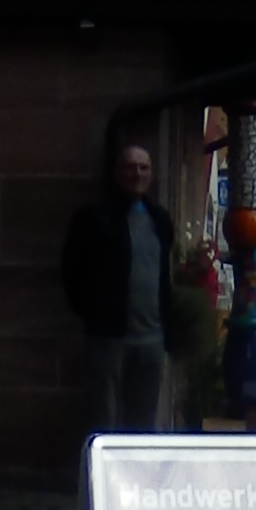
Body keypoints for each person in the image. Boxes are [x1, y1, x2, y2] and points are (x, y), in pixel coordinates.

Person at [59, 135, 179, 439]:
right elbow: (72, 271)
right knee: (102, 420)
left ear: (151, 173)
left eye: (143, 167)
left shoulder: (159, 219)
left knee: (143, 424)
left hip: (152, 339)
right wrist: (93, 313)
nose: (137, 174)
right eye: (130, 167)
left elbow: (164, 274)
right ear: (116, 172)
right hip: (108, 339)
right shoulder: (93, 218)